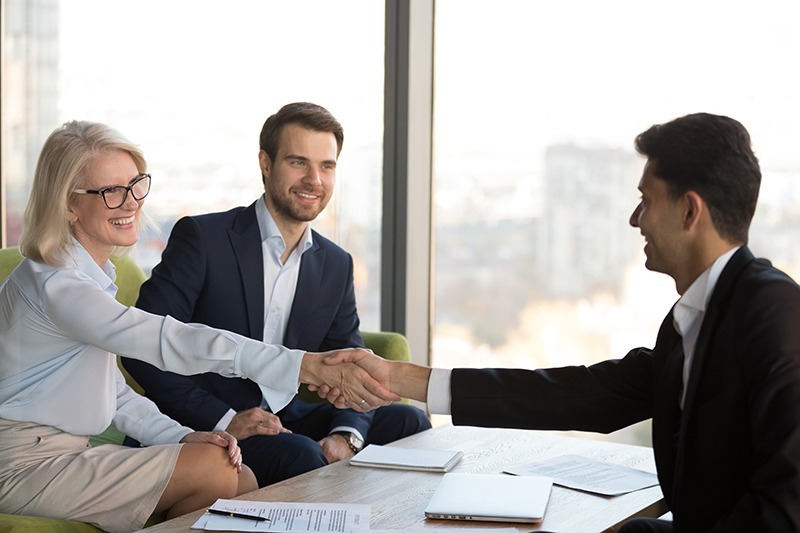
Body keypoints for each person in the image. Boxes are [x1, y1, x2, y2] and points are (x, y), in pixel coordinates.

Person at [318, 113, 800, 532]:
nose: (637, 220)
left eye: (647, 200)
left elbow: (783, 511)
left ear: (690, 210)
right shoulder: (693, 318)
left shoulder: (773, 316)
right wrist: (403, 378)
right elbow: (582, 395)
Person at [0, 120, 397, 533]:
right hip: (26, 464)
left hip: (62, 456)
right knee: (218, 468)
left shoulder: (90, 280)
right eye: (110, 191)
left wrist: (182, 435)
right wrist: (304, 365)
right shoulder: (57, 285)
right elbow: (167, 341)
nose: (131, 202)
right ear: (68, 203)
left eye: (135, 185)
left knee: (229, 468)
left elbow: (115, 394)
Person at [121, 102, 430, 487]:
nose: (314, 180)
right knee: (301, 454)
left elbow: (351, 364)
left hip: (284, 419)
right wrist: (224, 419)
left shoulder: (335, 264)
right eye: (299, 162)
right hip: (205, 426)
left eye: (327, 166)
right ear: (265, 163)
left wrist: (345, 437)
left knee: (410, 423)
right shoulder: (204, 239)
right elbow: (141, 348)